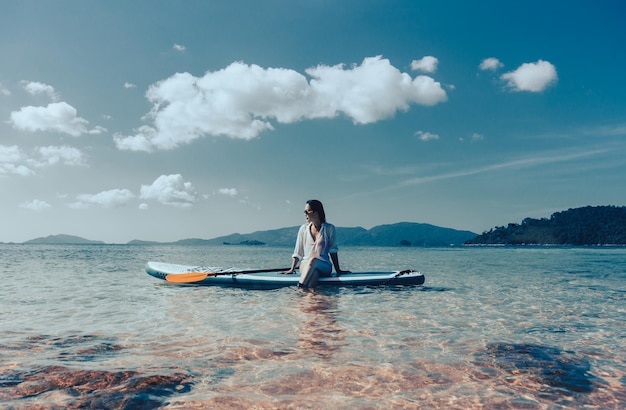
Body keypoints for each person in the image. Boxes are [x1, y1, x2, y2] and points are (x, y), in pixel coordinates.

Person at [283, 199, 349, 288]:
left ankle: (300, 288)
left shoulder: (329, 228)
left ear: (316, 213)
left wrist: (338, 270)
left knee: (313, 260)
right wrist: (292, 269)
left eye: (307, 211)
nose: (305, 214)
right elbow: (298, 251)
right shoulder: (303, 228)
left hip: (324, 265)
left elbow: (333, 250)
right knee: (314, 273)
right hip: (305, 265)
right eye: (304, 211)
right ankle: (310, 297)